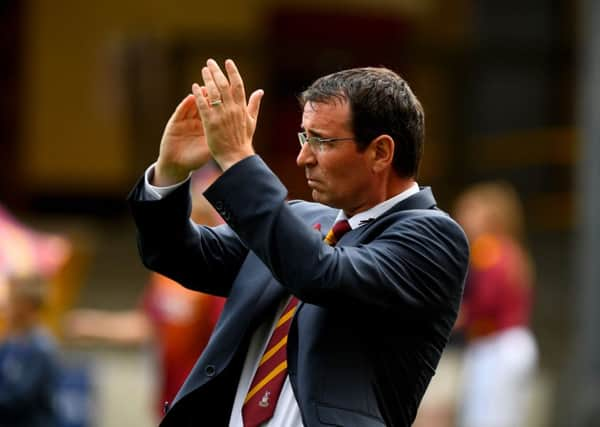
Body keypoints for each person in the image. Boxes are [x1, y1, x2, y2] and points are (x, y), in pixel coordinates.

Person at [128, 59, 469, 426]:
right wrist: (170, 173)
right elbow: (179, 253)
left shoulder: (433, 236)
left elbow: (319, 274)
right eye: (304, 137)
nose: (302, 157)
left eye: (320, 141)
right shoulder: (301, 221)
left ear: (380, 152)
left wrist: (237, 159)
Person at [65, 164, 225, 417]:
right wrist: (94, 325)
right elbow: (149, 326)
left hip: (212, 406)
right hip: (172, 401)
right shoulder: (169, 275)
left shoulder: (222, 277)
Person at [453, 181, 538, 427]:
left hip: (496, 346)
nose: (462, 218)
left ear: (491, 217)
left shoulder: (488, 251)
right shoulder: (511, 250)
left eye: (470, 211)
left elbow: (483, 303)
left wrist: (451, 318)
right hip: (512, 344)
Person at [0, 274, 62, 426]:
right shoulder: (9, 342)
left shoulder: (41, 347)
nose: (5, 306)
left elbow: (20, 398)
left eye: (11, 301)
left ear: (26, 305)